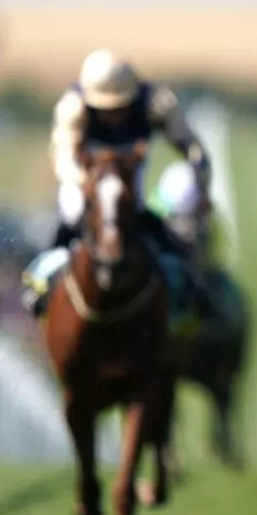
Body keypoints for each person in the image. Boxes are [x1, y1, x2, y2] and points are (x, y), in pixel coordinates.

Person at [24, 48, 211, 316]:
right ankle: (42, 279)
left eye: (119, 107)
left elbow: (189, 143)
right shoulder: (73, 106)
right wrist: (86, 185)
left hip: (131, 178)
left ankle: (183, 282)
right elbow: (63, 156)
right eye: (104, 108)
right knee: (73, 211)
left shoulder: (155, 103)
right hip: (85, 179)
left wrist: (199, 173)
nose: (112, 115)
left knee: (155, 205)